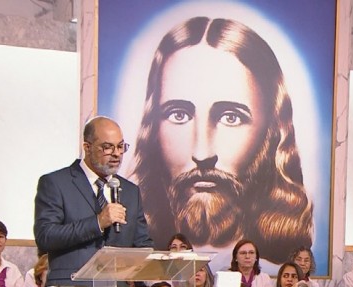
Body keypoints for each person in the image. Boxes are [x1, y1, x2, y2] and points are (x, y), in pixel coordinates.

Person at [128, 16, 313, 264]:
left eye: (231, 117)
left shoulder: (278, 271)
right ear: (152, 129)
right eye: (179, 115)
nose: (202, 153)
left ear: (271, 132)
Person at [34, 116, 152, 286]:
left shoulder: (130, 191)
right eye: (107, 147)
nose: (117, 154)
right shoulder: (56, 183)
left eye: (120, 146)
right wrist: (97, 222)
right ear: (87, 147)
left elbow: (142, 244)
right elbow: (45, 236)